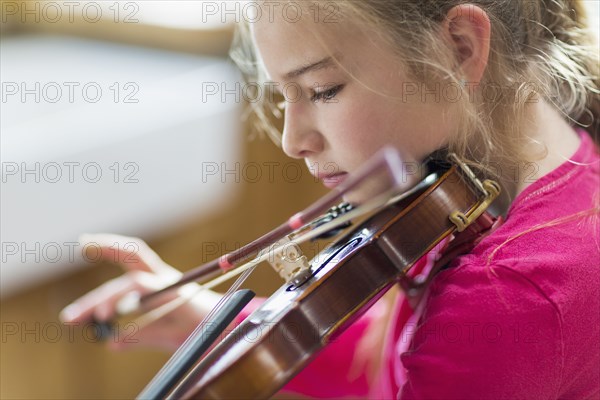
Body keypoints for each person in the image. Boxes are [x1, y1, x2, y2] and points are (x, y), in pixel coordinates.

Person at [60, 1, 600, 398]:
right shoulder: (520, 167)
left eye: (321, 90)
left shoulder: (506, 295)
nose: (294, 141)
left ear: (458, 48)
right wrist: (212, 322)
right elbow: (398, 357)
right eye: (284, 95)